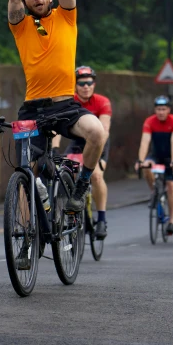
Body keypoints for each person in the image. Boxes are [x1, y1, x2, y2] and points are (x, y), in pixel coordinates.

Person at [7, 0, 106, 228]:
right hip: (32, 109)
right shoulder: (21, 25)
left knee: (97, 132)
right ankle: (25, 237)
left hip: (65, 106)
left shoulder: (66, 17)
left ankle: (81, 186)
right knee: (25, 175)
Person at [54, 66, 112, 240]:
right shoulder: (70, 101)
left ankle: (101, 219)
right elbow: (57, 128)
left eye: (89, 83)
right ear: (75, 85)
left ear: (94, 84)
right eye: (81, 83)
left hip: (98, 142)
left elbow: (105, 129)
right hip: (77, 143)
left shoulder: (102, 102)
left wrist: (99, 156)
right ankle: (69, 214)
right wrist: (55, 149)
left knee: (96, 176)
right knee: (64, 171)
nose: (86, 86)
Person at [135, 96, 173, 235]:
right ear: (155, 110)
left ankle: (171, 221)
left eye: (163, 109)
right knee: (146, 167)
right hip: (155, 155)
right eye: (158, 109)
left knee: (171, 186)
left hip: (169, 156)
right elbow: (145, 142)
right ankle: (154, 191)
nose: (161, 112)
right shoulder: (150, 121)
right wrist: (140, 160)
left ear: (168, 110)